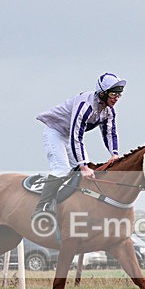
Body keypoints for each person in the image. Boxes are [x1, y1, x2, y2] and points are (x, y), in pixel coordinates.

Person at [32, 73, 126, 218]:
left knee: (85, 171)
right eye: (113, 94)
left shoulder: (109, 111)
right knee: (62, 169)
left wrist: (114, 154)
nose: (116, 98)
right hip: (55, 132)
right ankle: (41, 207)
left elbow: (110, 133)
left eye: (119, 95)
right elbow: (76, 136)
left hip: (69, 135)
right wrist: (83, 166)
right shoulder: (85, 106)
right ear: (102, 93)